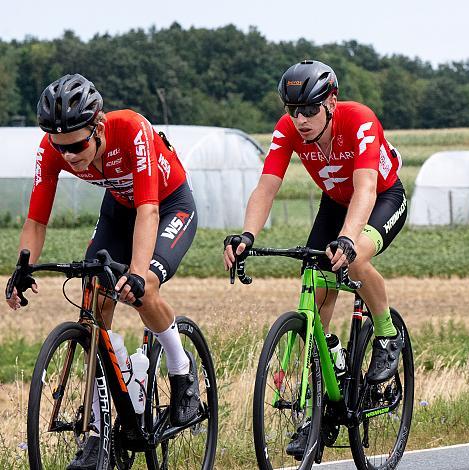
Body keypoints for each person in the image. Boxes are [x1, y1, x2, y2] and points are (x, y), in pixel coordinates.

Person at [5, 74, 201, 469]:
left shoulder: (131, 129)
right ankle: (103, 428)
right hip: (118, 210)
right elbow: (37, 220)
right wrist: (22, 267)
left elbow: (149, 209)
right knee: (92, 304)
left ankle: (182, 370)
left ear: (97, 125)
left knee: (144, 290)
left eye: (77, 145)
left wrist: (139, 272)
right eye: (61, 148)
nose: (70, 156)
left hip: (168, 206)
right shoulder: (53, 148)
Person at [223, 59, 407, 458]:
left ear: (331, 103)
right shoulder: (287, 130)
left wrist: (347, 238)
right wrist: (247, 235)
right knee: (314, 281)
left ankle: (389, 334)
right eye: (294, 110)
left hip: (381, 196)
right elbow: (267, 186)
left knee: (354, 261)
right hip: (335, 201)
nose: (301, 119)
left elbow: (365, 189)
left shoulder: (359, 120)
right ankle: (325, 388)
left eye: (309, 109)